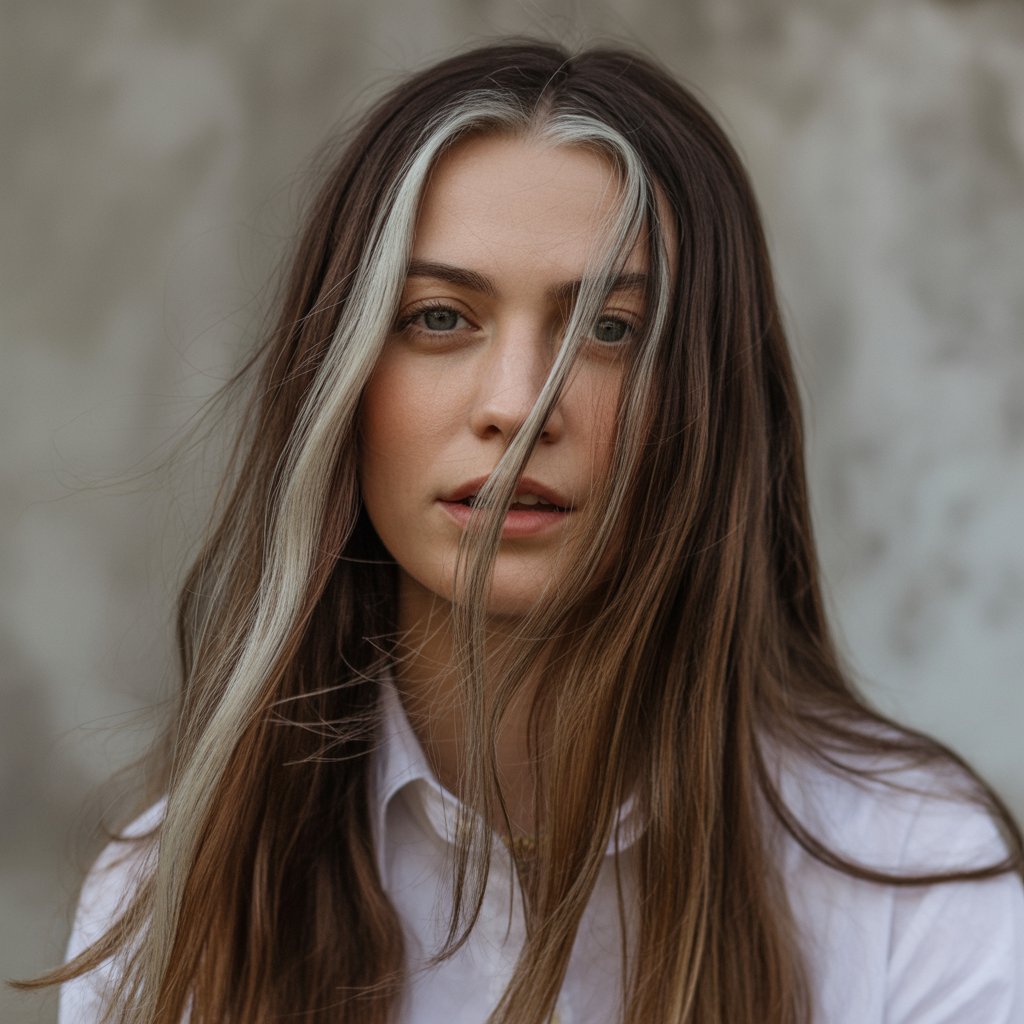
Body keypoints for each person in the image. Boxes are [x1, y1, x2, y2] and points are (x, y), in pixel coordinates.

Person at [22, 40, 1024, 1024]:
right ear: (338, 385)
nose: (516, 403)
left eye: (609, 328)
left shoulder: (916, 875)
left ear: (716, 409)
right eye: (438, 318)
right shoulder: (175, 896)